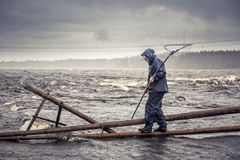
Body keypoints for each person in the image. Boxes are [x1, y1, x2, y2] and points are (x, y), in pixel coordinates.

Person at [138, 48, 168, 133]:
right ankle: (163, 126)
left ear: (149, 56)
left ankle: (148, 127)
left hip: (158, 89)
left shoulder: (157, 62)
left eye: (145, 57)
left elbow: (162, 72)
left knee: (149, 106)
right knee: (156, 108)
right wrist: (148, 88)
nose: (145, 59)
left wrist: (154, 78)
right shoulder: (152, 63)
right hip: (157, 88)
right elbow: (151, 78)